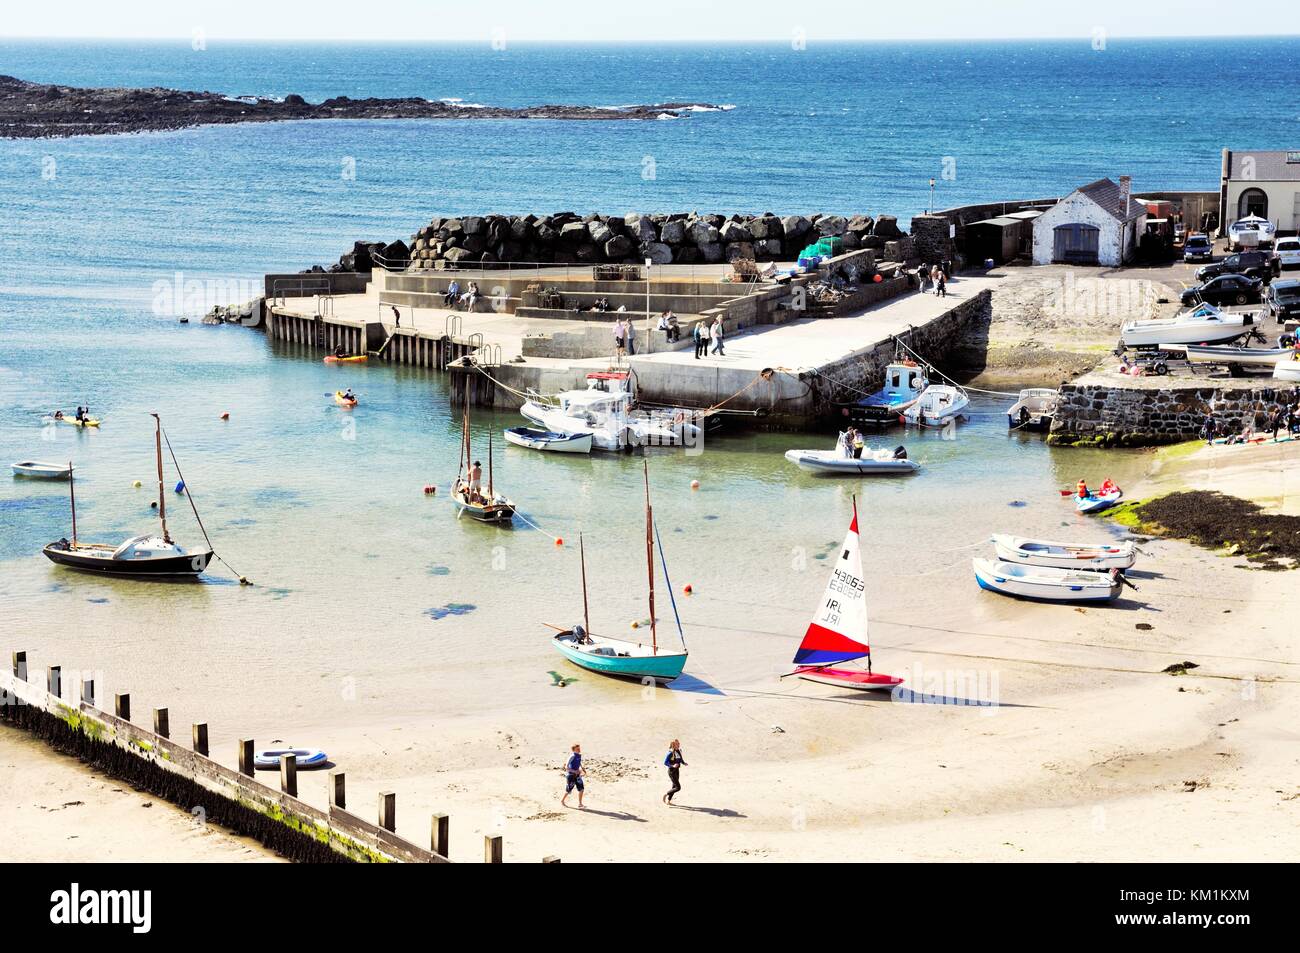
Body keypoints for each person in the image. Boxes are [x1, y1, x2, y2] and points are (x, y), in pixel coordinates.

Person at [663, 740, 687, 805]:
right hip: (671, 771)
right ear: (674, 745)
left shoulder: (678, 751)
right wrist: (672, 765)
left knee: (674, 786)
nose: (679, 745)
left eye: (679, 743)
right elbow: (665, 762)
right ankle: (666, 794)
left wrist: (683, 763)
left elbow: (680, 759)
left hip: (677, 771)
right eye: (677, 744)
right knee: (678, 787)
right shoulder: (670, 753)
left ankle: (668, 801)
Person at [561, 743, 585, 808]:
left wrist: (582, 769)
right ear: (574, 750)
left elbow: (579, 763)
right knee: (569, 790)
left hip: (577, 775)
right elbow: (566, 767)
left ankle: (580, 804)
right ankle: (562, 801)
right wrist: (574, 771)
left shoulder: (579, 755)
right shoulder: (572, 756)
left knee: (581, 789)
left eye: (579, 748)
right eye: (578, 749)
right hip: (571, 775)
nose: (579, 750)